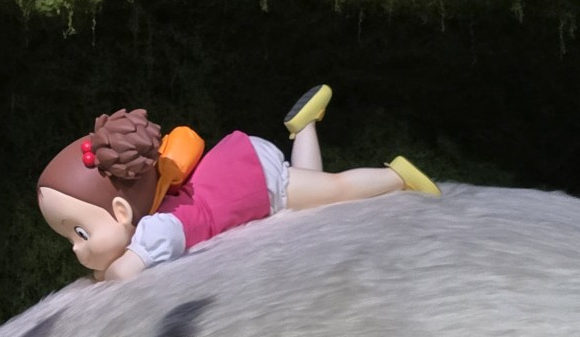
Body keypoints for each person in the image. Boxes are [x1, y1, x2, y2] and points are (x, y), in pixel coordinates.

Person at [35, 85, 440, 281]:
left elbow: (125, 273)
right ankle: (304, 128)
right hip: (238, 167)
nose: (75, 247)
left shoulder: (158, 228)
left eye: (80, 232)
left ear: (122, 211)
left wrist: (105, 273)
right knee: (314, 194)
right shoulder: (157, 211)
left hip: (253, 180)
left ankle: (396, 176)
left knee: (335, 191)